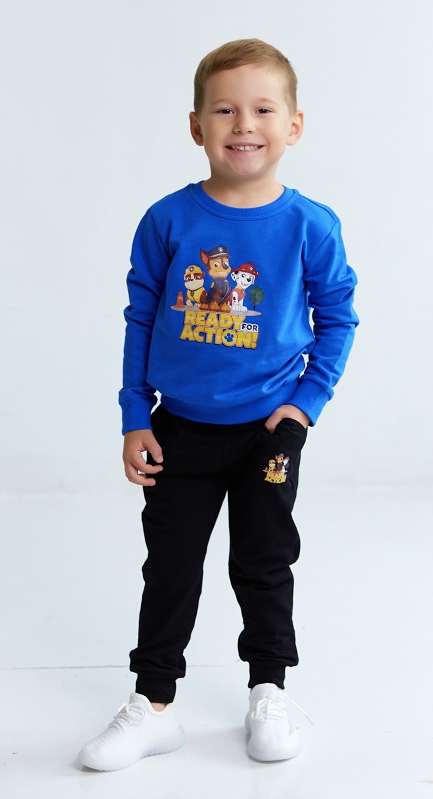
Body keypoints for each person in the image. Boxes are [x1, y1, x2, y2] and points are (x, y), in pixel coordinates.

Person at [78, 38, 359, 771]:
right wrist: (134, 415)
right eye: (225, 110)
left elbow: (338, 318)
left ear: (293, 125)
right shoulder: (168, 219)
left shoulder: (311, 224)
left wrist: (304, 405)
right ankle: (153, 705)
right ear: (196, 125)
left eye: (263, 109)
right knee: (171, 567)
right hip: (179, 429)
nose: (244, 125)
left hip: (268, 431)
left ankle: (269, 690)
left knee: (263, 563)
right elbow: (141, 319)